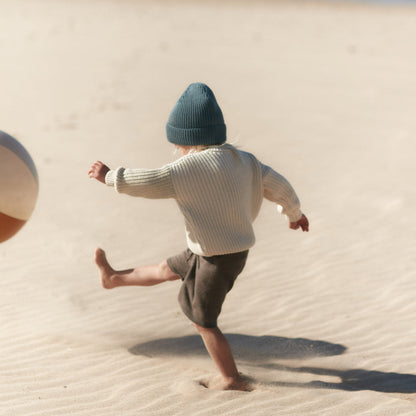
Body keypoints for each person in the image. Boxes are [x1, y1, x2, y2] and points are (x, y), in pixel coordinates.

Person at [88, 82, 309, 391]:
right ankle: (112, 278)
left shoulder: (184, 169)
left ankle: (231, 378)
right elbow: (281, 187)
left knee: (203, 321)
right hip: (214, 250)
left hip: (218, 260)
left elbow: (147, 181)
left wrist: (109, 176)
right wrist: (294, 215)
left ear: (185, 140)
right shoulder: (247, 162)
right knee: (167, 269)